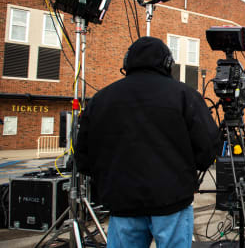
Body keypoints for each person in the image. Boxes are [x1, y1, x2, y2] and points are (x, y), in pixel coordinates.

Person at [75, 37, 220, 248]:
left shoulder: (101, 99)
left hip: (122, 203)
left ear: (127, 62)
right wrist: (187, 171)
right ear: (168, 63)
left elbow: (84, 157)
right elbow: (208, 147)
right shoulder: (185, 95)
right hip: (172, 201)